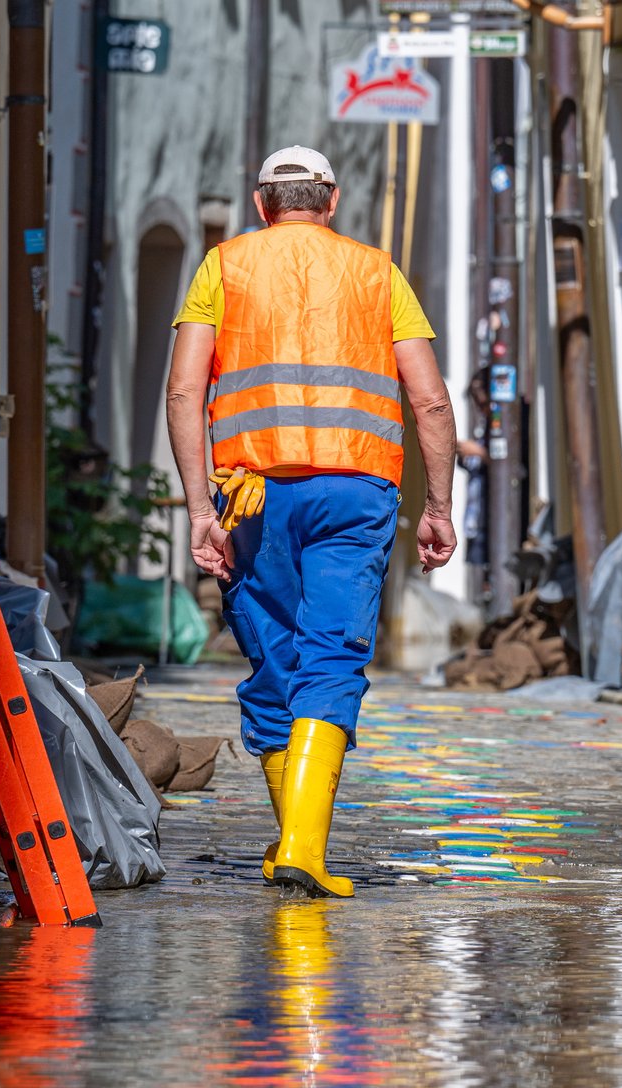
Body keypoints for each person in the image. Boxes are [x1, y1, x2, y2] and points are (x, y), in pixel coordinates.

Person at [165, 146, 458, 898]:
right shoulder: (378, 273)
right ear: (330, 200)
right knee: (331, 658)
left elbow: (182, 391)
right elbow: (428, 398)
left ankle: (297, 840)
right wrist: (438, 507)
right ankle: (301, 843)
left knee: (274, 665)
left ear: (262, 204)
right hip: (355, 493)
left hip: (253, 495)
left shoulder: (221, 268)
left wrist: (200, 509)